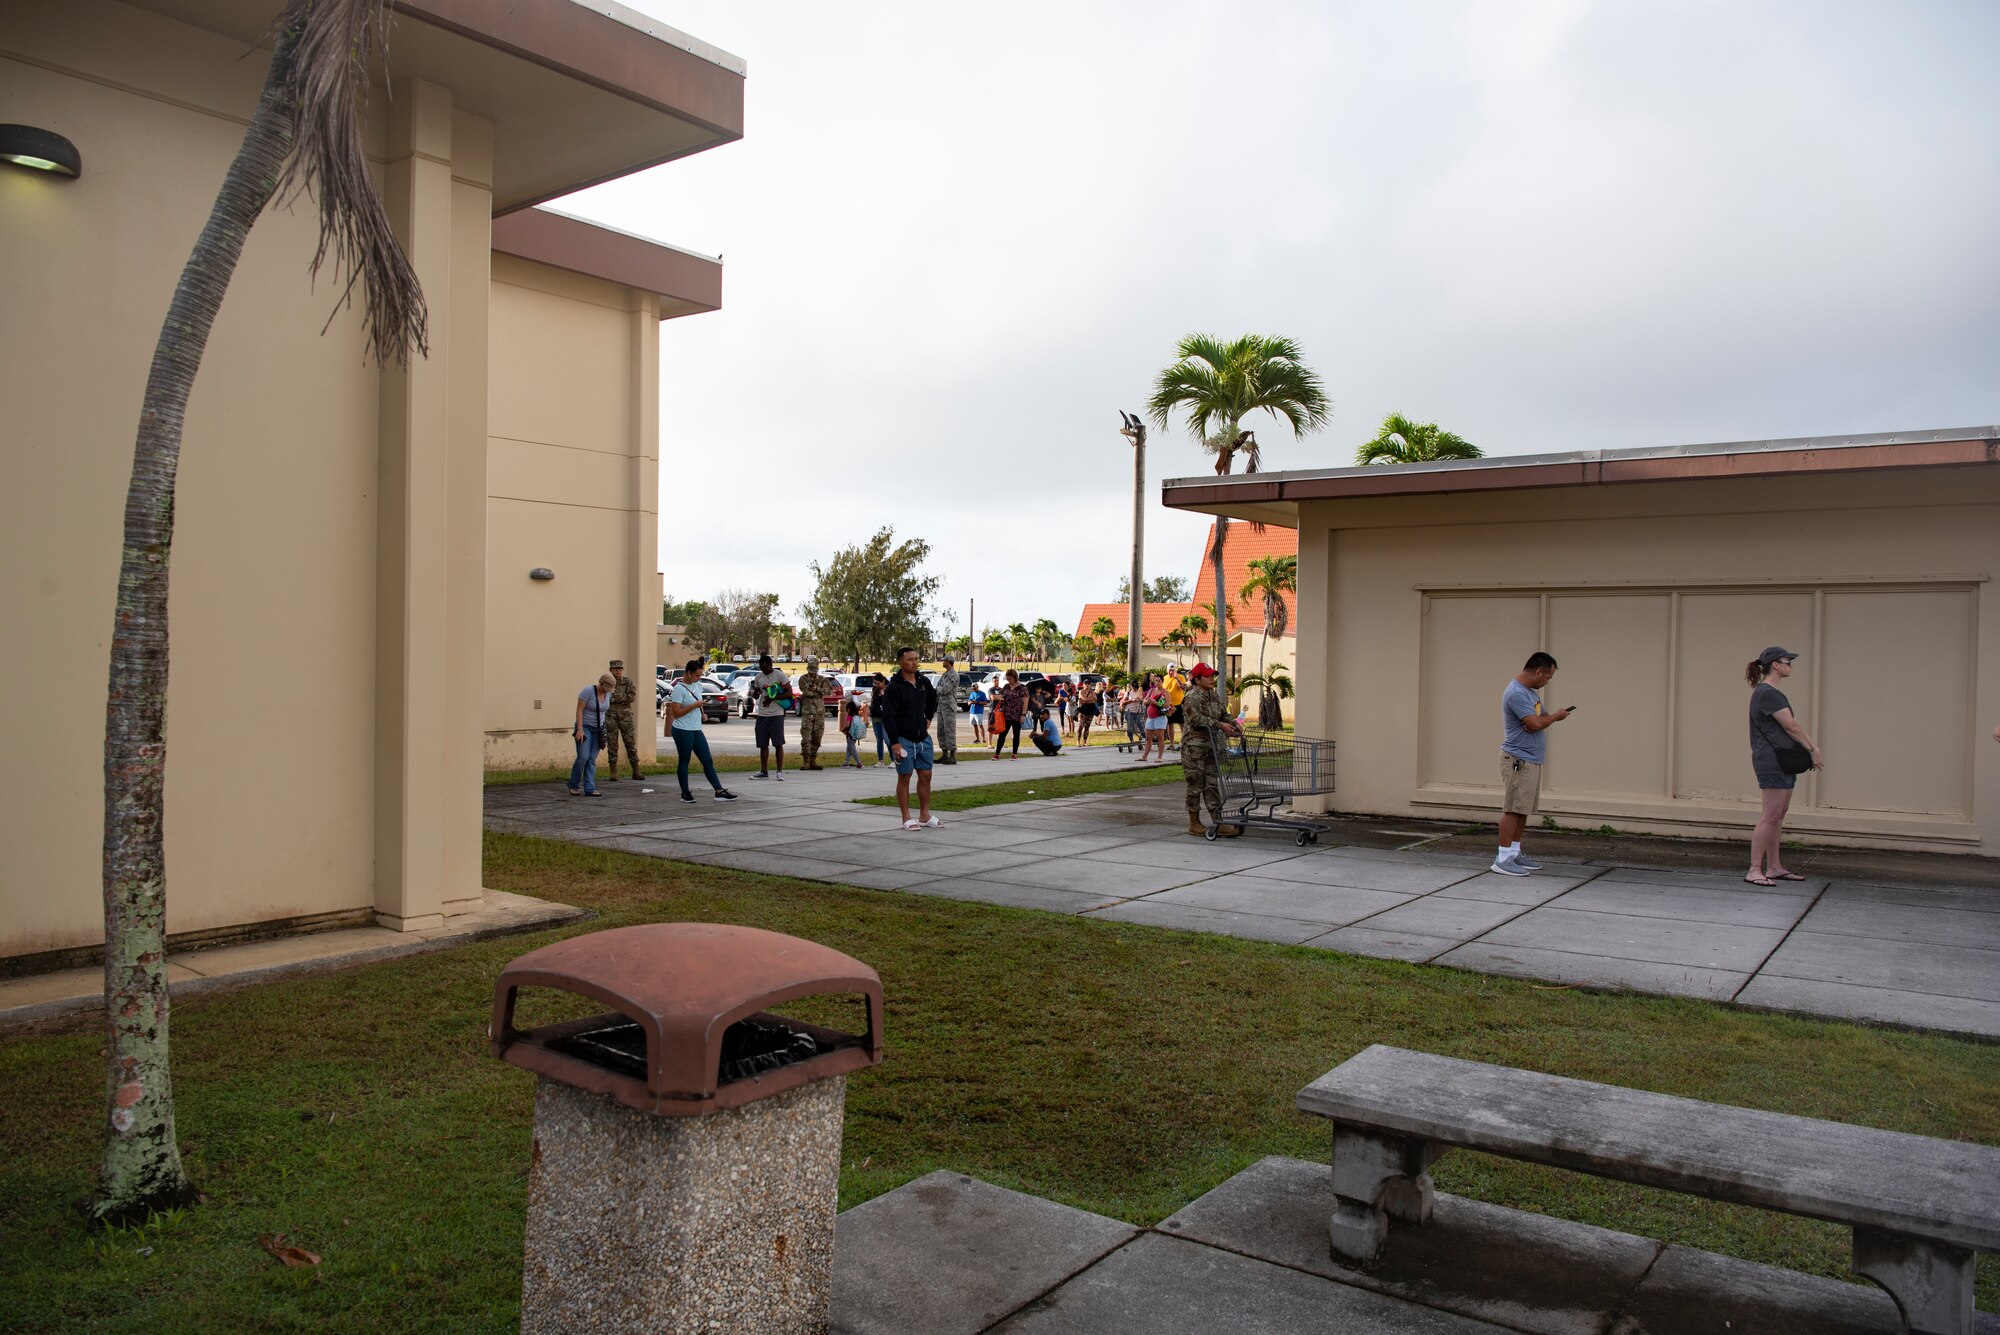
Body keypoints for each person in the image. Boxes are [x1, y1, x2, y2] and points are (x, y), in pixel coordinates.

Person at [1745, 646, 1821, 887]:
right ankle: (1755, 869)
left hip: (1780, 759)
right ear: (1775, 665)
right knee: (1771, 815)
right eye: (1787, 660)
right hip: (1772, 760)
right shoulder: (1767, 693)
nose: (1791, 665)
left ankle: (1775, 867)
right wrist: (1813, 748)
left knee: (1778, 815)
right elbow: (1791, 726)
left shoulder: (1770, 692)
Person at [1492, 651, 1573, 877]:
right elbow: (1536, 723)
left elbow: (1538, 720)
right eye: (1547, 677)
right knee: (1512, 809)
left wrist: (1542, 721)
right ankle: (1503, 857)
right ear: (1538, 672)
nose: (1547, 682)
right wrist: (1551, 718)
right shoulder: (1517, 693)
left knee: (1523, 808)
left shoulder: (1530, 694)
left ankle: (1515, 852)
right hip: (1518, 759)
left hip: (1530, 759)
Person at [663, 658, 737, 803]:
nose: (699, 678)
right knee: (684, 760)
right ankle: (685, 793)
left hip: (696, 728)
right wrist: (694, 706)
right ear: (688, 673)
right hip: (683, 729)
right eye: (697, 675)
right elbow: (676, 713)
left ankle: (719, 790)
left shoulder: (697, 685)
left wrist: (702, 711)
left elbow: (698, 699)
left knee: (707, 760)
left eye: (700, 675)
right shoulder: (678, 689)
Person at [1180, 663, 1242, 836]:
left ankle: (1218, 821)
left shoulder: (1213, 696)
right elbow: (1196, 719)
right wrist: (1221, 726)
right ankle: (1194, 822)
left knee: (1212, 784)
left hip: (1211, 747)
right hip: (1194, 748)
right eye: (1207, 676)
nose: (1212, 679)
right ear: (1197, 679)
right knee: (1195, 784)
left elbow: (1223, 714)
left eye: (1212, 676)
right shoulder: (1192, 697)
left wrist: (1234, 724)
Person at [882, 646, 941, 829]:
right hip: (903, 739)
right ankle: (906, 817)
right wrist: (895, 743)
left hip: (922, 738)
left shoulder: (923, 681)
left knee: (926, 776)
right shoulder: (894, 687)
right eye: (910, 659)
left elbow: (933, 698)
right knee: (905, 777)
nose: (914, 662)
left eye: (916, 659)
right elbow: (888, 717)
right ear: (900, 662)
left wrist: (929, 717)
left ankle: (924, 815)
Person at [569, 673, 615, 797]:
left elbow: (604, 711)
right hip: (585, 727)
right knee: (583, 757)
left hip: (598, 729)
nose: (607, 691)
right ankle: (573, 784)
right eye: (606, 688)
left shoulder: (608, 693)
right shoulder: (588, 691)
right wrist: (579, 729)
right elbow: (579, 710)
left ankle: (590, 788)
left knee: (591, 760)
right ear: (601, 683)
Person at [748, 653, 792, 780]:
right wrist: (755, 693)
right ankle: (764, 771)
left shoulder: (779, 675)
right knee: (763, 744)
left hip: (776, 715)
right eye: (762, 668)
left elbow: (789, 693)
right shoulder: (759, 677)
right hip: (762, 714)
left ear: (771, 665)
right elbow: (756, 696)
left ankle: (779, 772)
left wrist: (773, 698)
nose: (764, 670)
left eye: (766, 667)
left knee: (778, 744)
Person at [602, 659, 646, 781]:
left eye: (620, 669)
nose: (618, 671)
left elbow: (631, 697)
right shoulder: (607, 683)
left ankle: (636, 770)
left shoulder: (627, 682)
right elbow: (603, 697)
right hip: (611, 716)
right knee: (612, 743)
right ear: (611, 670)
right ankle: (613, 771)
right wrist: (619, 698)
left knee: (630, 742)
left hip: (626, 717)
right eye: (615, 669)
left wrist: (615, 698)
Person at [795, 655, 833, 771]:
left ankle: (813, 760)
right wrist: (818, 692)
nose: (812, 673)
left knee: (817, 737)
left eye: (814, 670)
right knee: (806, 738)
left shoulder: (822, 679)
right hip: (807, 713)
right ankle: (806, 761)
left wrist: (817, 689)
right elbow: (807, 693)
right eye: (811, 670)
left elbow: (829, 691)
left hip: (819, 713)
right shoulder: (803, 679)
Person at [992, 670, 1027, 758]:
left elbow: (1025, 702)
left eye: (1010, 679)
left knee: (1016, 734)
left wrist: (1023, 714)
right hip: (1006, 714)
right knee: (1002, 734)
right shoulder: (1006, 686)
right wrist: (1002, 700)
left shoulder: (1022, 688)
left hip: (1017, 714)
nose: (1009, 681)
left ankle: (1014, 753)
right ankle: (997, 753)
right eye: (1007, 679)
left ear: (1015, 677)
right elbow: (1002, 696)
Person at [933, 654, 960, 764]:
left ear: (948, 662)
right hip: (941, 706)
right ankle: (944, 754)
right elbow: (938, 688)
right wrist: (938, 689)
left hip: (949, 706)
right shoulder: (944, 675)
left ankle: (952, 755)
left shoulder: (954, 675)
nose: (943, 662)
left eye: (944, 661)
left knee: (949, 730)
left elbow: (945, 689)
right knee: (941, 731)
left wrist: (938, 689)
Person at [1141, 673, 1170, 761]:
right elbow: (1145, 700)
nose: (1157, 683)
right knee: (1148, 737)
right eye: (1155, 681)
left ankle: (1159, 757)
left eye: (1159, 681)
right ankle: (1144, 756)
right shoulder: (1151, 690)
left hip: (1160, 717)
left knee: (1160, 737)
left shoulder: (1165, 692)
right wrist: (1147, 701)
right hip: (1150, 717)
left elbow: (1167, 704)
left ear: (1162, 682)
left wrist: (1155, 702)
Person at [869, 672, 892, 766]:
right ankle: (880, 760)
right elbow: (873, 702)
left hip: (886, 718)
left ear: (883, 681)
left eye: (878, 683)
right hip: (875, 717)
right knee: (879, 740)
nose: (876, 685)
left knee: (887, 739)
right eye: (875, 684)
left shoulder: (890, 688)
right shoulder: (875, 689)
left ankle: (893, 759)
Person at [1162, 666, 1188, 747]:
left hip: (1178, 704)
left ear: (1175, 670)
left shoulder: (1180, 677)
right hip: (1169, 705)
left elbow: (1184, 688)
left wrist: (1177, 679)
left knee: (1181, 723)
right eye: (1169, 670)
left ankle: (1183, 742)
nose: (1171, 672)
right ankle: (1171, 744)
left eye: (1172, 670)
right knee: (1170, 724)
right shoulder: (1165, 678)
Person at [841, 698, 868, 768]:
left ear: (849, 709)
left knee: (852, 748)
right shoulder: (857, 715)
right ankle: (847, 762)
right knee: (849, 747)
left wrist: (843, 729)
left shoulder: (850, 716)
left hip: (850, 733)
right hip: (856, 734)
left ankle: (859, 762)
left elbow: (847, 725)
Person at [1075, 680, 1099, 746]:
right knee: (1080, 726)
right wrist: (1090, 699)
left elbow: (1095, 700)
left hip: (1090, 711)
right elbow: (1083, 699)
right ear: (1083, 685)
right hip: (1082, 711)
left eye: (1088, 684)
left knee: (1087, 727)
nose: (1087, 685)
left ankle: (1085, 741)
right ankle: (1078, 741)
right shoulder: (1081, 691)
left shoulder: (1093, 692)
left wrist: (1087, 700)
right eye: (1086, 684)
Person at [968, 680, 989, 744]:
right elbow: (968, 702)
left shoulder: (982, 694)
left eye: (975, 688)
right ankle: (977, 739)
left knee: (980, 725)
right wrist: (971, 702)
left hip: (979, 712)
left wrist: (978, 702)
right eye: (973, 689)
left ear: (977, 687)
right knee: (974, 725)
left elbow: (985, 702)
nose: (973, 690)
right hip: (972, 712)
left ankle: (984, 739)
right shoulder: (972, 693)